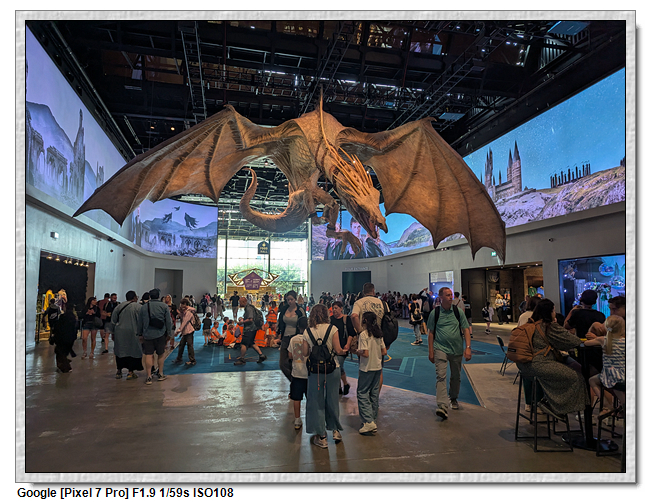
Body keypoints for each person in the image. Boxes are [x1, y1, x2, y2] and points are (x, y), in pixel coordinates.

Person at [516, 298, 590, 418]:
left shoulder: (531, 324)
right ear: (549, 312)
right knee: (576, 377)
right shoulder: (548, 326)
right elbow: (573, 341)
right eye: (554, 310)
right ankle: (554, 406)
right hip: (540, 364)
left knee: (562, 372)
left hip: (524, 365)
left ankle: (550, 402)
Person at [302, 304, 346, 448]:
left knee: (316, 402)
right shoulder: (333, 329)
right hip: (332, 368)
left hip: (315, 371)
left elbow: (305, 352)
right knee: (333, 400)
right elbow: (338, 350)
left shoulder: (307, 331)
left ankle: (321, 436)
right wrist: (345, 350)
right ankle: (335, 430)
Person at [427, 287, 472, 420]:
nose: (450, 297)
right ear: (440, 297)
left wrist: (468, 347)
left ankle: (453, 398)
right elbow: (431, 333)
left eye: (451, 294)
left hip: (456, 350)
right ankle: (442, 405)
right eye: (447, 295)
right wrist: (431, 351)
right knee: (441, 376)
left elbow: (465, 329)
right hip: (440, 348)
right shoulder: (435, 313)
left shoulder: (458, 312)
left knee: (456, 376)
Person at [585, 315, 625, 414]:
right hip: (625, 376)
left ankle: (607, 406)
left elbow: (585, 343)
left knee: (592, 380)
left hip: (609, 376)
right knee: (618, 386)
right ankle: (623, 406)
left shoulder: (603, 340)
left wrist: (592, 333)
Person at [356, 311, 387, 434]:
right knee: (374, 394)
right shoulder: (378, 334)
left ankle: (368, 421)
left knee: (362, 393)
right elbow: (384, 352)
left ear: (364, 321)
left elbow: (365, 353)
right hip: (377, 366)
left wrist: (357, 351)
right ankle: (373, 418)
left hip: (367, 367)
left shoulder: (364, 335)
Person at [137, 288, 173, 385]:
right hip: (160, 334)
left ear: (150, 296)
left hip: (147, 334)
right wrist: (169, 334)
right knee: (161, 354)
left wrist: (139, 334)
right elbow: (168, 321)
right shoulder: (164, 306)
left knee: (148, 354)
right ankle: (160, 374)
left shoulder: (144, 307)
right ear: (159, 296)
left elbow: (140, 322)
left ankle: (149, 376)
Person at [111, 291, 144, 380]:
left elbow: (113, 321)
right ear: (134, 298)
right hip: (133, 332)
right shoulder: (138, 307)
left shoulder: (119, 306)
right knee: (132, 352)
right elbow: (142, 321)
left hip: (119, 333)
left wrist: (113, 333)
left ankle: (119, 371)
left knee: (120, 352)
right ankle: (130, 372)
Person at [276, 291, 306, 380]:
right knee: (282, 364)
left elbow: (304, 323)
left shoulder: (300, 310)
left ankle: (297, 382)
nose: (289, 301)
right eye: (288, 300)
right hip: (285, 337)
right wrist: (278, 334)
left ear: (295, 299)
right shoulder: (284, 309)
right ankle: (293, 380)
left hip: (297, 338)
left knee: (295, 361)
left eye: (291, 299)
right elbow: (280, 322)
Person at [330, 300, 356, 395]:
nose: (334, 310)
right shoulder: (330, 319)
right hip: (332, 347)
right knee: (335, 366)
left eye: (336, 308)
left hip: (343, 347)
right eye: (333, 308)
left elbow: (351, 333)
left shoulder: (346, 319)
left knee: (338, 365)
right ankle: (340, 386)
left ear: (341, 309)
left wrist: (348, 344)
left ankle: (343, 384)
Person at [288, 316, 309, 430]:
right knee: (311, 398)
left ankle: (297, 419)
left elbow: (290, 355)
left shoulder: (293, 339)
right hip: (309, 373)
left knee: (297, 398)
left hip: (297, 373)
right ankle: (311, 418)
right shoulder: (310, 338)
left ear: (298, 326)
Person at [233, 297, 267, 365]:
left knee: (243, 344)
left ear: (243, 302)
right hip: (252, 329)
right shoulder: (250, 307)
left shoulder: (248, 308)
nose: (239, 304)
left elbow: (250, 319)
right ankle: (261, 355)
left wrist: (242, 322)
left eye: (240, 302)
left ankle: (242, 359)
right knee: (251, 343)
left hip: (250, 329)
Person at [51, 301, 78, 373]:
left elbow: (59, 327)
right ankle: (65, 364)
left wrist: (54, 336)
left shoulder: (63, 317)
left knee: (59, 352)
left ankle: (65, 367)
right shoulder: (74, 317)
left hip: (62, 338)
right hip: (70, 338)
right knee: (63, 352)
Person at [175, 298, 197, 366]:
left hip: (189, 331)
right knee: (181, 345)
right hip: (185, 331)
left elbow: (184, 322)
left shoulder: (189, 312)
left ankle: (192, 360)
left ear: (185, 304)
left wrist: (178, 331)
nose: (181, 305)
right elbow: (182, 318)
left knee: (189, 345)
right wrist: (181, 312)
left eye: (182, 304)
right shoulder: (185, 311)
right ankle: (179, 358)